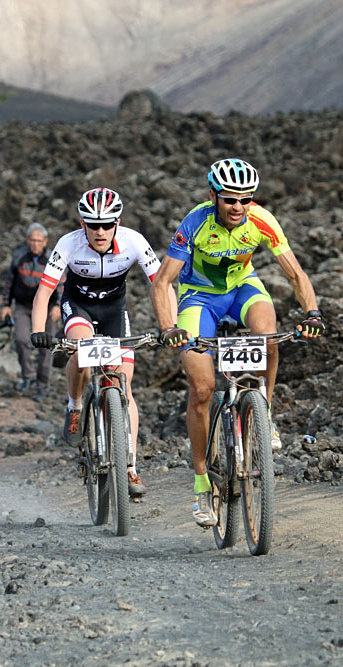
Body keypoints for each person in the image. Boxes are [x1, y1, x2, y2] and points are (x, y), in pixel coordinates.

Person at [150, 158, 324, 527]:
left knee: (268, 339)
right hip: (199, 298)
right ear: (214, 196)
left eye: (245, 199)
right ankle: (201, 486)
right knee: (202, 388)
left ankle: (265, 415)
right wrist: (169, 327)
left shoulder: (262, 219)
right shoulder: (195, 221)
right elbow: (163, 281)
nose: (238, 207)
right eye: (230, 199)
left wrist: (312, 312)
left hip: (242, 288)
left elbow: (295, 273)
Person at [30, 187, 172, 498]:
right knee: (81, 351)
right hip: (78, 307)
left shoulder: (134, 241)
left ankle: (131, 467)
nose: (100, 231)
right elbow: (44, 292)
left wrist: (170, 327)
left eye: (107, 224)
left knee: (123, 382)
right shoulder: (68, 244)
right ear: (82, 224)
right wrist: (38, 329)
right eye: (93, 225)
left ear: (117, 222)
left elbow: (161, 284)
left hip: (114, 312)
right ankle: (76, 405)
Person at [0, 222, 60, 399]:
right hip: (23, 307)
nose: (35, 244)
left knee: (46, 348)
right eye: (32, 240)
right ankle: (28, 377)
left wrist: (58, 305)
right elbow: (10, 282)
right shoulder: (19, 257)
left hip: (47, 309)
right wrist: (5, 305)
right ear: (27, 240)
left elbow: (62, 284)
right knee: (21, 339)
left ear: (45, 241)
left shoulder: (52, 259)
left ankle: (42, 387)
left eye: (39, 241)